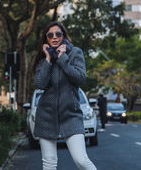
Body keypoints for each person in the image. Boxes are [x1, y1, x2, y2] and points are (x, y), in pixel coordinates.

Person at [34, 21, 97, 170]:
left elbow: (80, 78)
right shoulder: (43, 58)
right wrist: (48, 59)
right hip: (46, 116)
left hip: (71, 115)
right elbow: (40, 84)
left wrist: (63, 58)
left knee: (81, 160)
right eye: (50, 35)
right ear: (46, 38)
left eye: (58, 34)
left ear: (63, 36)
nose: (54, 37)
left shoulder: (75, 52)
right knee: (49, 163)